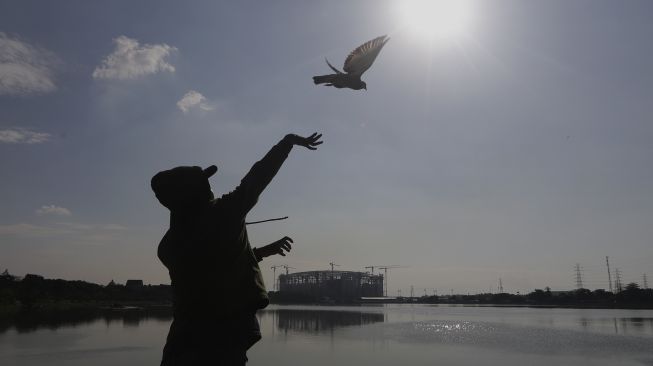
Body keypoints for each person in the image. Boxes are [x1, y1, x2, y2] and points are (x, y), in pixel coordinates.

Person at [151, 133, 323, 365]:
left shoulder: (168, 246)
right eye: (205, 184)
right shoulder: (224, 213)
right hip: (223, 337)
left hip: (182, 340)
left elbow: (215, 268)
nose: (210, 187)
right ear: (197, 193)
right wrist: (287, 143)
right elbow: (256, 179)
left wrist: (260, 252)